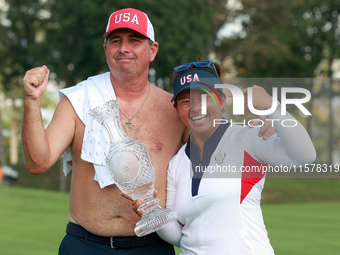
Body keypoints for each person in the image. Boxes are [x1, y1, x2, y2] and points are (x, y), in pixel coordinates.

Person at [22, 7, 275, 255]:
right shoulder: (79, 100)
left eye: (134, 40)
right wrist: (32, 101)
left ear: (152, 50)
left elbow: (217, 148)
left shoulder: (174, 111)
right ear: (106, 50)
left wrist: (259, 125)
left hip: (152, 244)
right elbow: (37, 163)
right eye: (115, 41)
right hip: (85, 243)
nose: (124, 48)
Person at [133, 60, 317, 254]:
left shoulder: (247, 138)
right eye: (186, 101)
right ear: (177, 110)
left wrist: (272, 107)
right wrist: (153, 212)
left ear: (221, 101)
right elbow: (182, 234)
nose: (196, 107)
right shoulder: (176, 162)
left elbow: (305, 156)